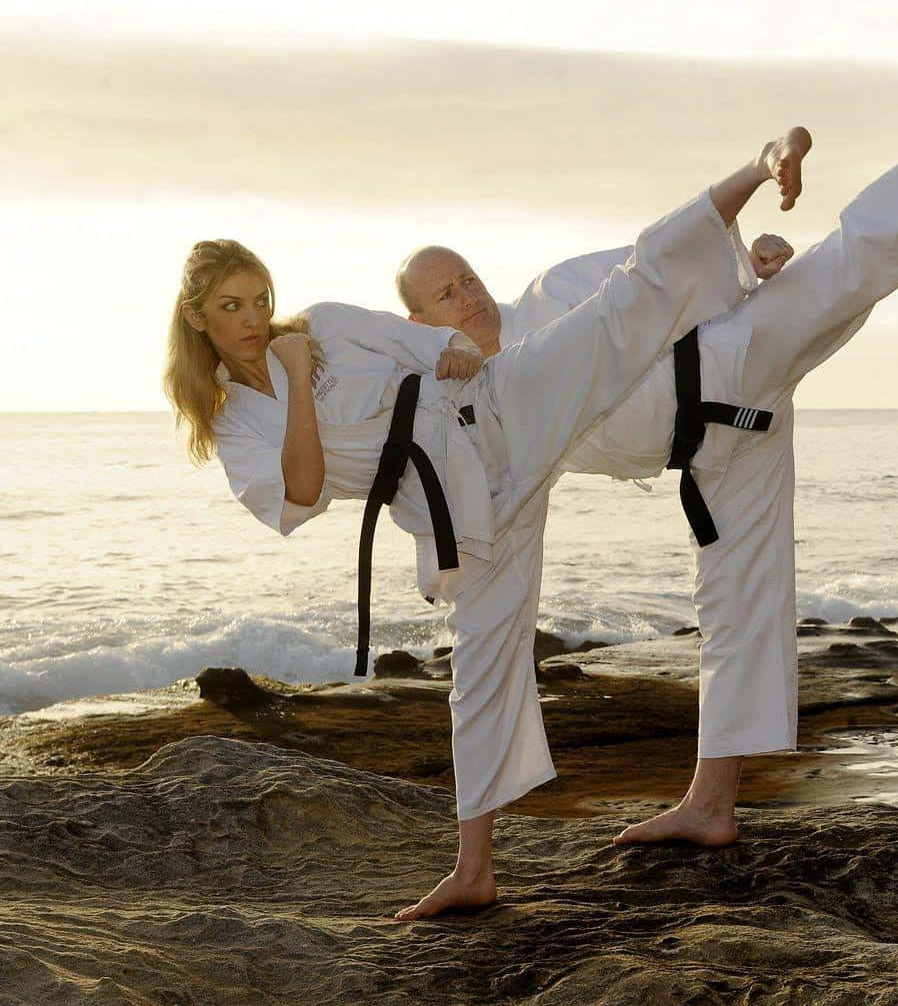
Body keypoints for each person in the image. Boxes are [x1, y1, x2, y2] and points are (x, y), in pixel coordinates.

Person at [395, 62, 898, 862]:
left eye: (467, 277)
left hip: (730, 362)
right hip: (721, 454)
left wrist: (752, 259)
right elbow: (466, 501)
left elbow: (660, 263)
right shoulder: (474, 411)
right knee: (737, 603)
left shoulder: (548, 295)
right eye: (445, 295)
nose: (467, 295)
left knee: (860, 255)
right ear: (418, 319)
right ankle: (711, 806)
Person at [163, 126, 813, 922]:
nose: (255, 317)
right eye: (232, 306)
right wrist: (299, 383)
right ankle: (474, 869)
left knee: (620, 308)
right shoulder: (233, 426)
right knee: (481, 668)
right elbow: (300, 494)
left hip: (493, 419)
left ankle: (756, 166)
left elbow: (429, 344)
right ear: (198, 319)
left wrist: (462, 354)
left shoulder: (326, 323)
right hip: (455, 509)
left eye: (261, 298)